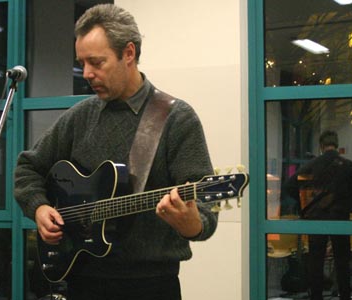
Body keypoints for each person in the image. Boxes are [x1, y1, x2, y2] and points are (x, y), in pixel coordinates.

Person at [14, 4, 218, 300]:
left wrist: (192, 224)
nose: (86, 74)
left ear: (129, 54)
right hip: (81, 278)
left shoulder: (176, 118)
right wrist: (39, 207)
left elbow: (205, 212)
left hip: (151, 285)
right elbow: (28, 167)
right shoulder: (80, 116)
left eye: (97, 62)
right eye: (82, 63)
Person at [284, 130, 352, 300]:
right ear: (336, 144)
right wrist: (351, 205)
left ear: (321, 146)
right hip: (340, 219)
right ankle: (344, 295)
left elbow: (290, 186)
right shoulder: (348, 166)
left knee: (316, 261)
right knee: (342, 261)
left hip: (316, 219)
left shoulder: (311, 166)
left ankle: (316, 296)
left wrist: (305, 205)